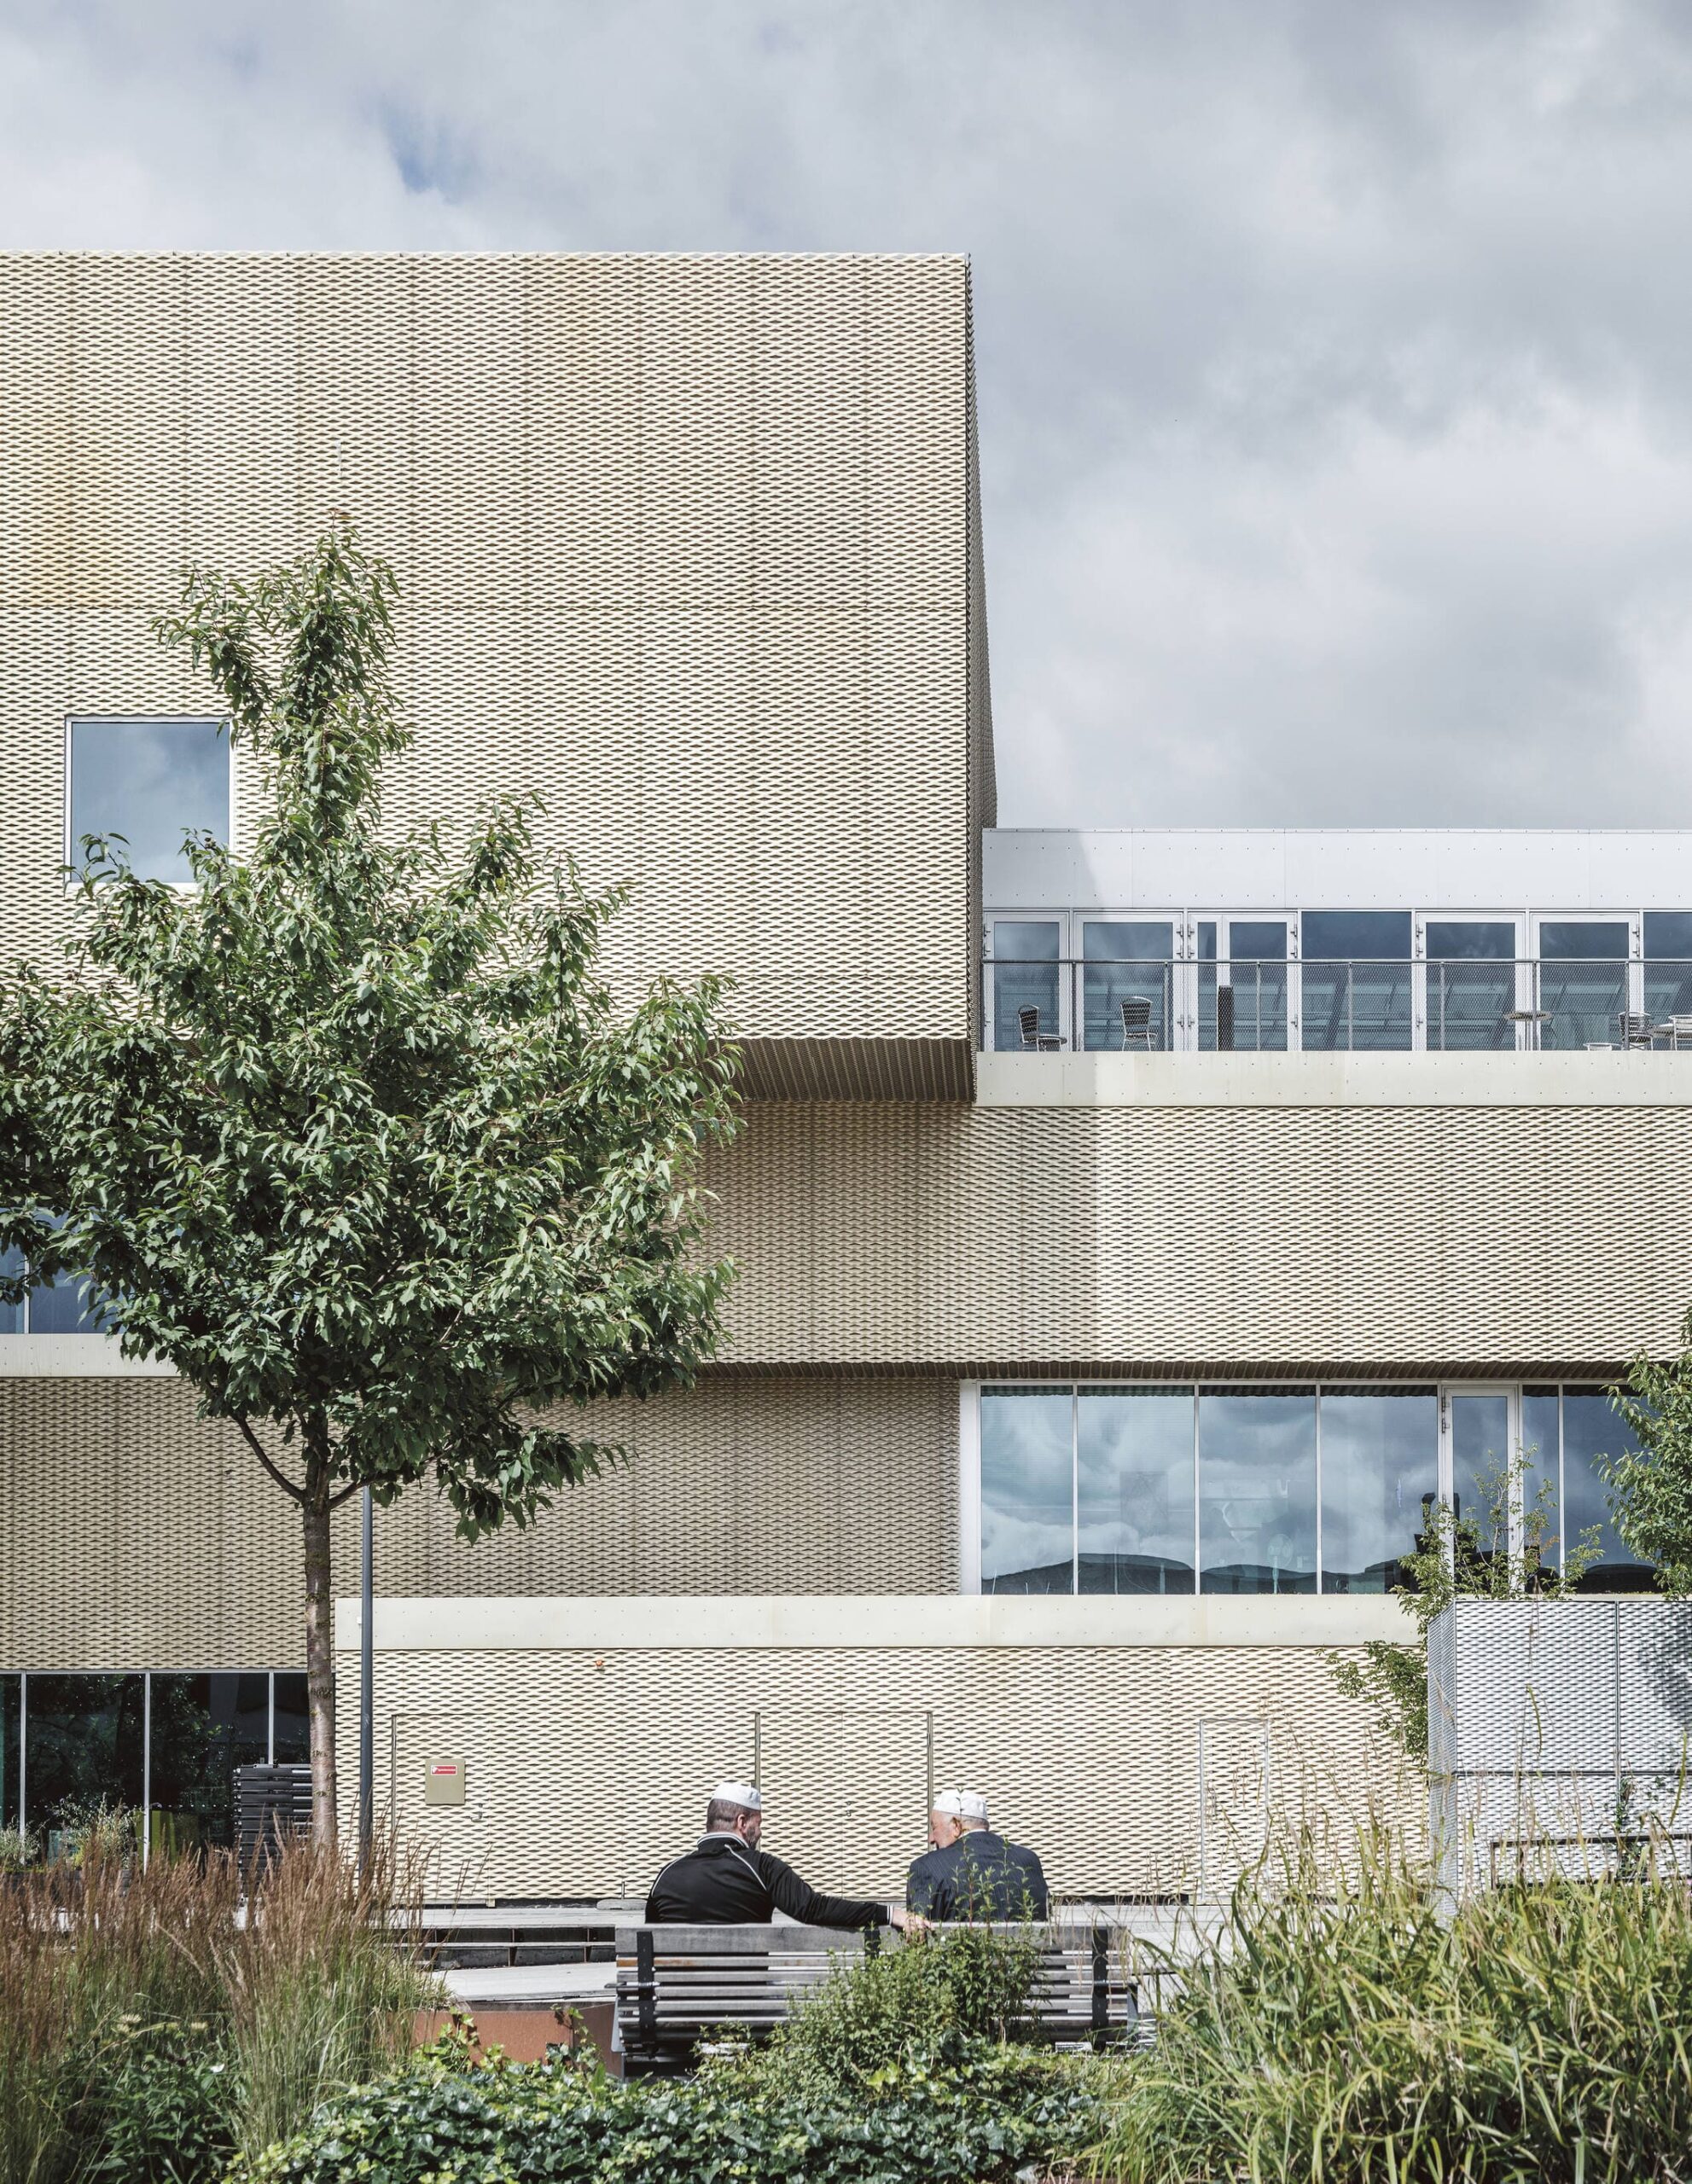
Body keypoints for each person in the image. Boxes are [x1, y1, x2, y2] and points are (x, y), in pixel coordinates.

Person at [645, 1780, 916, 1931]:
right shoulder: (761, 1869)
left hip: (673, 2010)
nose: (760, 1833)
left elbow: (649, 1937)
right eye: (758, 1824)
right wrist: (890, 1913)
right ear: (742, 1822)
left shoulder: (667, 1876)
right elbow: (814, 1909)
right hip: (745, 2010)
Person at [905, 1788, 1050, 1920]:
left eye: (934, 1827)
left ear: (956, 1826)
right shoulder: (1028, 1860)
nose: (931, 1838)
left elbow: (918, 1939)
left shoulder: (927, 1868)